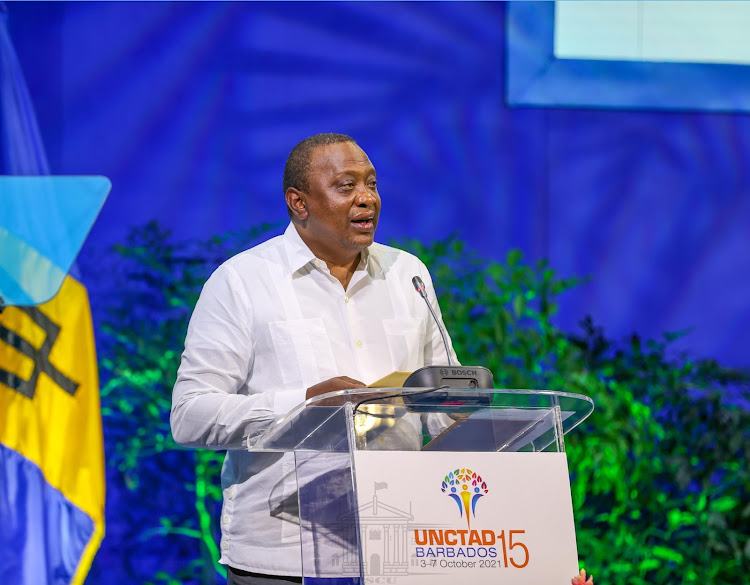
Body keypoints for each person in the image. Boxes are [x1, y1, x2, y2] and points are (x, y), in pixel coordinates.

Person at [170, 133, 458, 585]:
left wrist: (463, 406)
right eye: (347, 186)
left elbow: (439, 404)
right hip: (284, 555)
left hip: (400, 546)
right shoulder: (241, 282)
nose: (367, 199)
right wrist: (302, 406)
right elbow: (189, 415)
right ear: (298, 202)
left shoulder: (409, 275)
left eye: (372, 183)